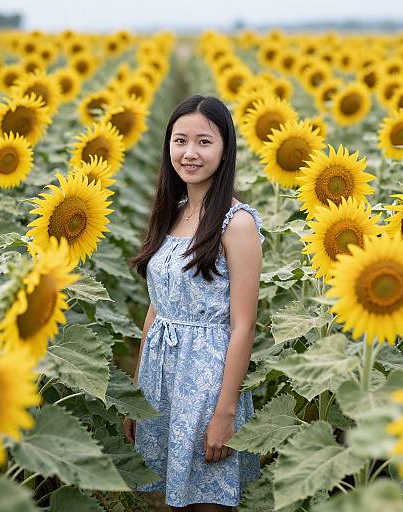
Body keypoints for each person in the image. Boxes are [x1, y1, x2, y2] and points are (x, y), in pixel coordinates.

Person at [126, 94, 264, 512]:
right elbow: (157, 306)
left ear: (225, 151)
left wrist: (224, 413)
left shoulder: (236, 224)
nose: (189, 153)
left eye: (204, 142)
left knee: (208, 498)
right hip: (160, 375)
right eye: (180, 140)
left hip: (206, 381)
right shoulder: (175, 211)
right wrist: (135, 395)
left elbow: (243, 325)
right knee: (170, 496)